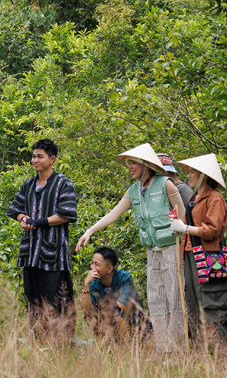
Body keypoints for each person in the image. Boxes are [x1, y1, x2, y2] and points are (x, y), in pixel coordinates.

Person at [76, 143, 186, 353]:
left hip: (171, 247)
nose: (130, 167)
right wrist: (90, 231)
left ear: (146, 164)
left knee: (174, 300)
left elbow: (182, 216)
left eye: (134, 162)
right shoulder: (133, 190)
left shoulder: (166, 184)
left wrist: (184, 241)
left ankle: (178, 349)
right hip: (151, 251)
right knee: (156, 300)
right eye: (128, 163)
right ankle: (163, 350)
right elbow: (114, 214)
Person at [6, 139, 78, 342]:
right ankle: (38, 342)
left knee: (57, 301)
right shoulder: (28, 184)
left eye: (39, 156)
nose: (34, 160)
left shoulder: (63, 183)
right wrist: (23, 219)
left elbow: (67, 214)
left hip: (53, 254)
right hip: (30, 253)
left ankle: (62, 343)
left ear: (52, 159)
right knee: (33, 301)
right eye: (33, 156)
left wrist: (38, 222)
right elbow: (15, 209)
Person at [170, 154, 227, 345]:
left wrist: (185, 228)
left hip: (209, 258)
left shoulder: (215, 198)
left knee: (211, 305)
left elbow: (213, 230)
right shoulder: (194, 198)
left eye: (193, 171)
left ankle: (220, 355)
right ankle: (200, 354)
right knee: (193, 305)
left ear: (204, 175)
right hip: (190, 255)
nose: (188, 175)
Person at [80, 246, 150, 339]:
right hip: (110, 327)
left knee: (117, 315)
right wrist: (86, 285)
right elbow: (86, 312)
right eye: (92, 263)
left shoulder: (124, 278)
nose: (92, 267)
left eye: (97, 264)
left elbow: (120, 307)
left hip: (136, 326)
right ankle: (107, 345)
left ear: (109, 269)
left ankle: (123, 345)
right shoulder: (93, 283)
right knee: (90, 318)